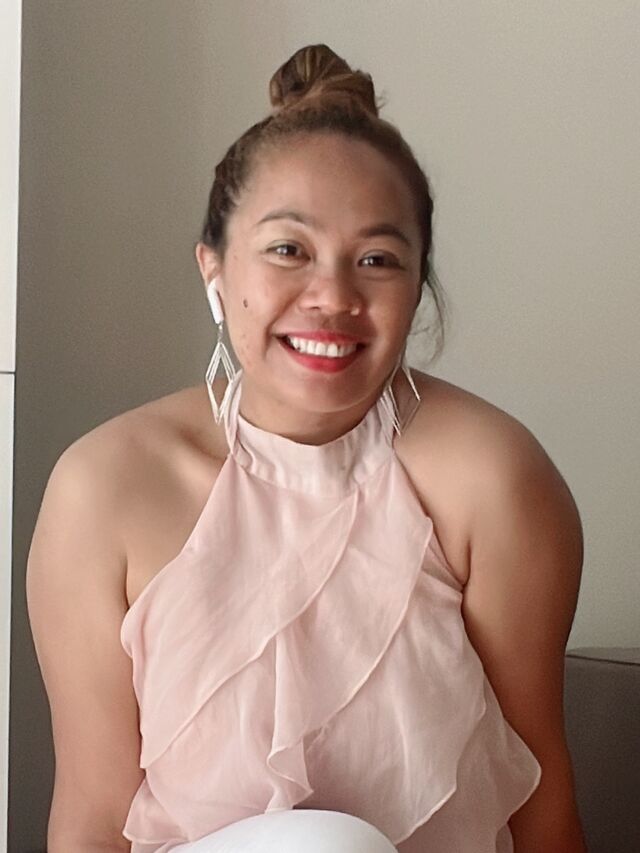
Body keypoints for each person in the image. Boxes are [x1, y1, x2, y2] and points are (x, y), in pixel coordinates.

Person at [26, 44, 587, 853]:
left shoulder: (495, 480)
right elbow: (90, 817)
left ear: (418, 286)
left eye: (377, 260)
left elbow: (542, 804)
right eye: (288, 250)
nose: (333, 297)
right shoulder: (103, 488)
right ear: (214, 269)